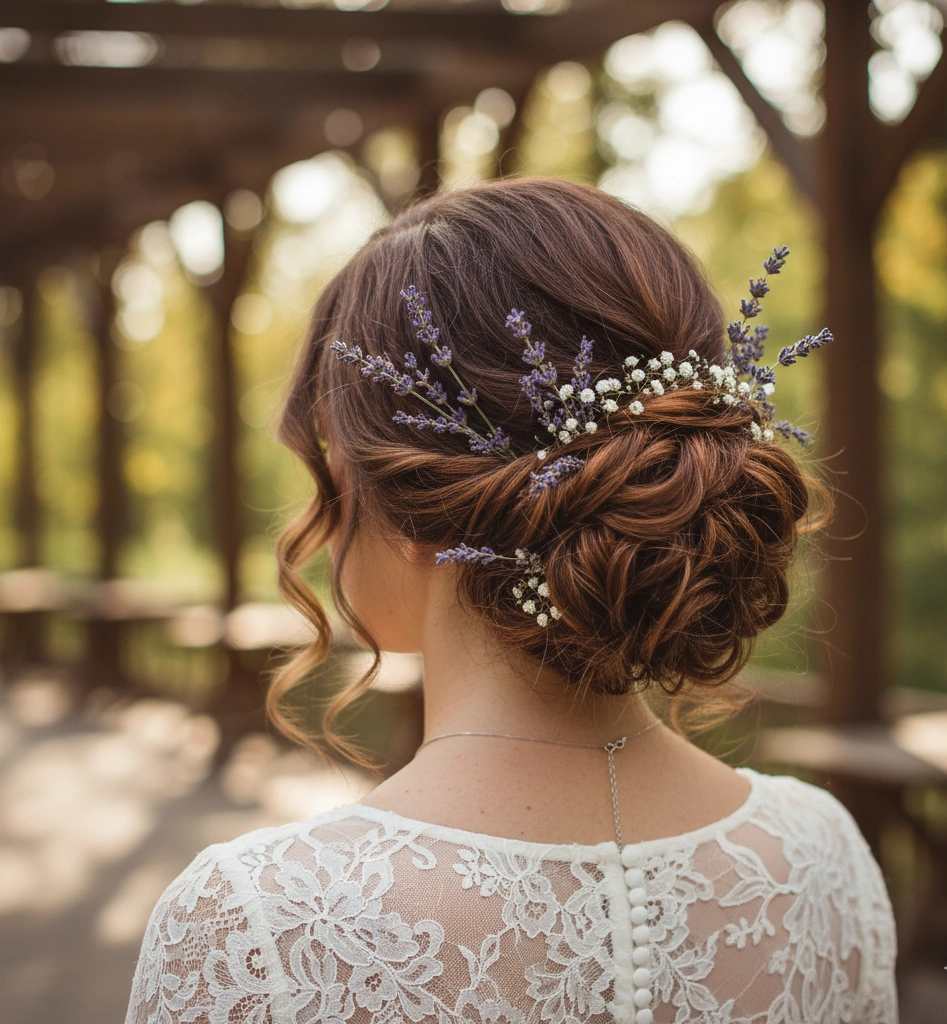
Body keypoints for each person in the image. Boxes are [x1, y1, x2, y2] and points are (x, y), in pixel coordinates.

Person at [124, 177, 897, 1024]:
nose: (318, 520)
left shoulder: (255, 931)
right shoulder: (825, 859)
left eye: (329, 471)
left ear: (409, 498)